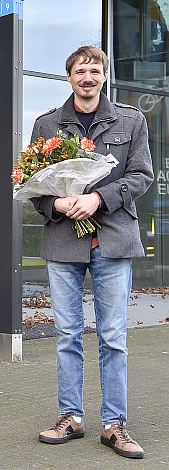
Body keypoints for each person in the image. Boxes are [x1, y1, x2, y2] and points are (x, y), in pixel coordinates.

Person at [31, 46, 153, 459]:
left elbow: (141, 175)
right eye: (80, 70)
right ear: (68, 77)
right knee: (67, 335)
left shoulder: (131, 120)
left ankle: (115, 424)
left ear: (104, 76)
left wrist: (100, 198)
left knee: (113, 336)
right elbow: (33, 186)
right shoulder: (47, 124)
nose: (87, 77)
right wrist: (57, 205)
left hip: (113, 238)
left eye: (94, 70)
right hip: (65, 241)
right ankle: (71, 417)